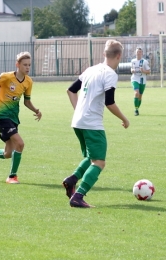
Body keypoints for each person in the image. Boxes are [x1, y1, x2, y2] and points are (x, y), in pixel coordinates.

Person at [62, 39, 130, 208]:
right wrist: (124, 118)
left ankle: (72, 180)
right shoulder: (110, 74)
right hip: (92, 123)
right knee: (99, 162)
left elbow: (70, 90)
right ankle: (78, 196)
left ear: (104, 54)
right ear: (119, 56)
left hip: (78, 121)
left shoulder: (90, 69)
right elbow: (110, 102)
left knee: (90, 157)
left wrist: (79, 110)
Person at [0, 51, 42, 184]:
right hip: (2, 115)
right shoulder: (5, 77)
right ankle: (12, 176)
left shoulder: (28, 82)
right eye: (25, 65)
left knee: (8, 153)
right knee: (20, 143)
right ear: (17, 64)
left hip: (13, 117)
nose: (27, 67)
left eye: (29, 65)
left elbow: (26, 101)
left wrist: (36, 110)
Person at [130, 47, 151, 116]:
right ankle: (136, 110)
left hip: (142, 80)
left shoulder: (144, 62)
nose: (138, 53)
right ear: (135, 53)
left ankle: (137, 108)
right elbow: (131, 69)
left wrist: (143, 71)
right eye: (137, 52)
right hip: (135, 79)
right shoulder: (133, 61)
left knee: (140, 95)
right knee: (136, 93)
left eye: (140, 52)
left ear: (142, 53)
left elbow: (149, 71)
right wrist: (132, 71)